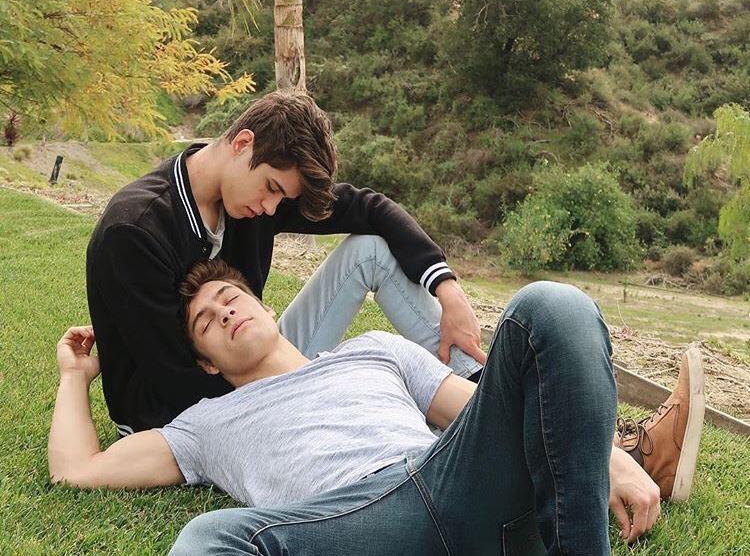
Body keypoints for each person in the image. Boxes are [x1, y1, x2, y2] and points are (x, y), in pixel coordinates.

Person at [50, 259, 705, 555]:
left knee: (551, 307)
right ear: (207, 364)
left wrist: (607, 459)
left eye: (231, 297)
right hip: (351, 523)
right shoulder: (204, 424)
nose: (223, 312)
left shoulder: (375, 349)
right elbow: (77, 470)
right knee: (209, 538)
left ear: (267, 307)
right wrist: (74, 377)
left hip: (452, 479)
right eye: (205, 322)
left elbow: (482, 412)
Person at [86, 92, 485, 436]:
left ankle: (480, 386)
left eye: (281, 198)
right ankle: (451, 420)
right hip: (183, 411)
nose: (271, 208)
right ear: (243, 143)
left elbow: (370, 209)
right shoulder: (135, 231)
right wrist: (323, 387)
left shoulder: (254, 199)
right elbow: (177, 381)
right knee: (374, 397)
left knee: (369, 250)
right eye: (272, 189)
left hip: (255, 367)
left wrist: (449, 291)